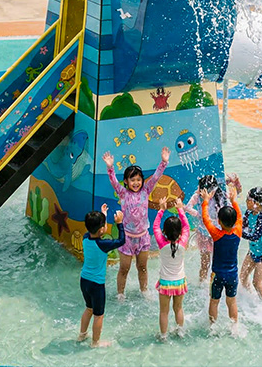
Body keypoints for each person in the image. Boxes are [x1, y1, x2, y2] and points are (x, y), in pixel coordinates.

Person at [103, 147, 169, 298]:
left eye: (138, 180)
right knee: (124, 269)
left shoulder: (146, 190)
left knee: (143, 267)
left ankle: (144, 291)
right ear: (126, 182)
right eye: (132, 180)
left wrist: (163, 162)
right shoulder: (123, 193)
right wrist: (110, 167)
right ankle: (120, 294)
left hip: (143, 237)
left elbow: (156, 177)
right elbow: (114, 182)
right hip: (127, 238)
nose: (136, 183)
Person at [79, 204, 125, 348]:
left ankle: (82, 335)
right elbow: (121, 241)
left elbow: (96, 231)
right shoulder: (103, 244)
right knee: (98, 315)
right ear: (101, 230)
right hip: (96, 285)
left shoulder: (85, 238)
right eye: (104, 225)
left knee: (89, 309)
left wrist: (103, 214)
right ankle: (95, 342)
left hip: (84, 280)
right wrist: (119, 223)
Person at [200, 184, 243, 329]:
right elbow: (239, 217)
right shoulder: (238, 231)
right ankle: (234, 327)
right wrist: (234, 201)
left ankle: (212, 326)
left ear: (218, 221)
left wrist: (206, 201)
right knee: (232, 301)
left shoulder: (216, 234)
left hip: (217, 274)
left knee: (214, 301)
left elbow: (206, 219)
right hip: (232, 275)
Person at [184, 174, 238, 284]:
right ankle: (201, 283)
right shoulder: (197, 196)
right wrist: (199, 215)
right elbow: (187, 207)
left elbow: (231, 205)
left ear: (213, 190)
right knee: (205, 263)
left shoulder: (221, 195)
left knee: (218, 262)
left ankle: (215, 283)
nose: (203, 193)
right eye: (201, 190)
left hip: (217, 235)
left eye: (207, 191)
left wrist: (236, 184)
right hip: (204, 234)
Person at [153, 196, 189, 340]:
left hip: (166, 283)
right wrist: (180, 209)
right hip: (179, 281)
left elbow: (155, 227)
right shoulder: (183, 243)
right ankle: (180, 332)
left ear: (164, 231)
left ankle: (163, 336)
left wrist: (161, 209)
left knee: (164, 311)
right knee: (178, 308)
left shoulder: (162, 243)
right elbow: (186, 226)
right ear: (180, 232)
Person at [239, 186, 262, 302]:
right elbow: (243, 225)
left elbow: (255, 236)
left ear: (256, 204)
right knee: (242, 277)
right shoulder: (249, 212)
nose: (246, 201)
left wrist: (238, 232)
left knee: (257, 283)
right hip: (252, 251)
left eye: (248, 199)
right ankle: (250, 298)